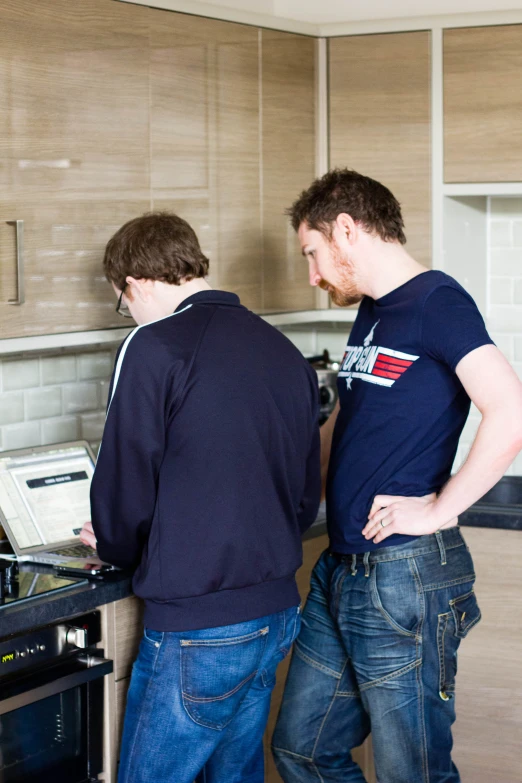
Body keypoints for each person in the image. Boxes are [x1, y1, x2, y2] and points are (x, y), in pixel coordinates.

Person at [271, 169, 522, 783]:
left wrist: (439, 508)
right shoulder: (376, 311)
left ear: (347, 230)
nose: (312, 275)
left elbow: (511, 409)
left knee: (414, 773)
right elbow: (350, 420)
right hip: (343, 570)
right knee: (302, 751)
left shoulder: (437, 302)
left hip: (406, 574)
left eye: (313, 254)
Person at [79, 211, 321, 783]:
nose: (129, 315)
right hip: (275, 613)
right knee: (233, 776)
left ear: (132, 285)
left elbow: (125, 481)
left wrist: (112, 543)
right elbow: (303, 493)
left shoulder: (152, 346)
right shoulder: (284, 351)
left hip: (200, 628)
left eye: (123, 302)